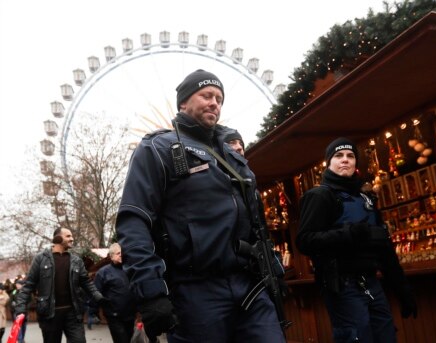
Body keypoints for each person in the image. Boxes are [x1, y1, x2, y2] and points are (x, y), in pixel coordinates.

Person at [116, 69, 286, 342]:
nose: (214, 103)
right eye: (206, 95)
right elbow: (134, 220)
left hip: (250, 286)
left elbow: (257, 223)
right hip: (195, 292)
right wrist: (151, 291)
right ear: (183, 102)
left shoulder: (234, 157)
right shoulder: (158, 149)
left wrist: (274, 271)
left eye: (219, 98)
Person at [296, 137, 418, 343]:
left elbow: (385, 249)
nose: (345, 160)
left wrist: (403, 291)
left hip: (371, 282)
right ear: (329, 162)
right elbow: (305, 241)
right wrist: (347, 234)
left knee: (386, 337)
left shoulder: (366, 199)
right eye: (338, 156)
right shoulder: (320, 196)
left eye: (350, 156)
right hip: (342, 285)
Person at [13, 228, 106, 343]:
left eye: (71, 236)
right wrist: (20, 308)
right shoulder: (41, 259)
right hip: (50, 315)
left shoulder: (76, 260)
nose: (72, 239)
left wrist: (100, 298)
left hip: (73, 314)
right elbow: (28, 286)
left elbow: (87, 282)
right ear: (57, 238)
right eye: (68, 236)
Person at [94, 243, 137, 343]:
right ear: (111, 256)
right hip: (114, 316)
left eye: (122, 253)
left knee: (130, 339)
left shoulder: (130, 270)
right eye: (118, 253)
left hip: (130, 315)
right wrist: (93, 312)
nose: (121, 255)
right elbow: (95, 292)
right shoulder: (103, 272)